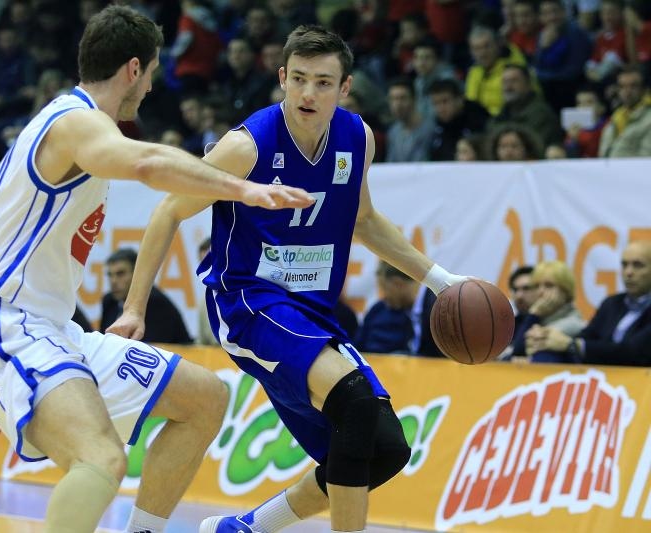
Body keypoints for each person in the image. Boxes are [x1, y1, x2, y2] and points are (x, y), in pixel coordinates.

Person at [0, 7, 313, 533]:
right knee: (101, 458)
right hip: (6, 327)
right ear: (133, 69)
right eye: (151, 74)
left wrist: (134, 307)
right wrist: (242, 187)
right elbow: (145, 164)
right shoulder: (76, 123)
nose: (149, 90)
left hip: (54, 331)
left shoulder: (72, 124)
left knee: (205, 399)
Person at [113, 25, 469, 533]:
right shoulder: (248, 145)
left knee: (384, 449)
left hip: (310, 311)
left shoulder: (356, 137)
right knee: (356, 402)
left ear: (345, 89)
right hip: (248, 302)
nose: (308, 93)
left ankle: (246, 528)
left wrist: (440, 279)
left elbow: (363, 221)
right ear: (282, 77)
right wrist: (133, 308)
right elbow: (169, 211)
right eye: (299, 79)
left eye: (324, 83)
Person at [527, 241, 651, 366]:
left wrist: (571, 344)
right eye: (624, 265)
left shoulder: (572, 322)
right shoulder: (612, 303)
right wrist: (545, 337)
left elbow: (633, 352)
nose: (628, 272)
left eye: (638, 265)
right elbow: (587, 336)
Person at [99, 248, 192, 344]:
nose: (113, 281)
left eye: (120, 274)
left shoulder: (155, 303)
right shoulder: (109, 301)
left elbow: (149, 349)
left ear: (136, 275)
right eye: (110, 275)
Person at [512, 260, 585, 363]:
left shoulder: (574, 324)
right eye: (537, 286)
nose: (540, 291)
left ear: (566, 291)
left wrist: (534, 313)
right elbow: (514, 354)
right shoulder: (534, 319)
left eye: (549, 285)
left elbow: (518, 350)